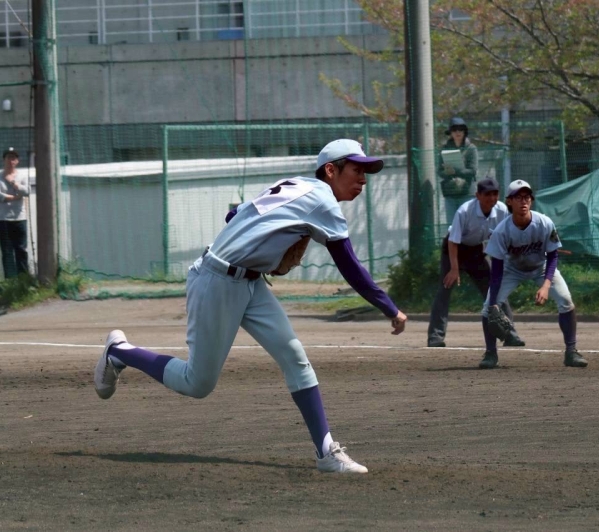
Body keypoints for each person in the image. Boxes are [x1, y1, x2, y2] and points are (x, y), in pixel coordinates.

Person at [94, 139, 408, 474]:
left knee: (295, 358)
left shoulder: (294, 185)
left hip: (250, 283)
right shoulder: (322, 201)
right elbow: (349, 265)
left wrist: (272, 245)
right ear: (331, 170)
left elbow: (234, 215)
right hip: (216, 281)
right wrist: (389, 307)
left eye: (366, 172)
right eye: (357, 169)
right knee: (196, 383)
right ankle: (120, 351)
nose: (363, 179)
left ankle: (326, 452)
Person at [480, 180, 587, 369]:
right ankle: (490, 353)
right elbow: (496, 269)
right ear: (509, 202)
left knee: (566, 301)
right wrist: (495, 302)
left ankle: (571, 352)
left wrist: (546, 285)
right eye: (518, 197)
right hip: (511, 270)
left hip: (541, 267)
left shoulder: (544, 223)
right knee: (488, 307)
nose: (523, 201)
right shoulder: (501, 231)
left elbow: (553, 256)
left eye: (527, 197)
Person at [427, 178, 525, 349]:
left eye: (495, 194)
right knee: (444, 291)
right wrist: (454, 269)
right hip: (453, 250)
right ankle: (435, 336)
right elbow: (453, 241)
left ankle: (510, 334)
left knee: (496, 290)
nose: (491, 198)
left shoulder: (501, 210)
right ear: (477, 195)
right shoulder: (464, 211)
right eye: (487, 194)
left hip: (476, 251)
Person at [0, 147, 30, 278]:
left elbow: (27, 191)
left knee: (21, 249)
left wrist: (14, 183)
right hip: (3, 219)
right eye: (8, 158)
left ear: (17, 161)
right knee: (7, 251)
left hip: (19, 218)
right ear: (3, 160)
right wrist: (15, 197)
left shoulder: (22, 176)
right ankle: (10, 280)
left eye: (13, 158)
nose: (11, 161)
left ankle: (23, 278)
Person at [439, 117, 479, 223]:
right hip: (450, 193)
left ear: (464, 131)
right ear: (450, 132)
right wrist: (447, 172)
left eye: (460, 129)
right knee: (452, 228)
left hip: (467, 193)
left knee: (468, 225)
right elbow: (439, 171)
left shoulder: (471, 148)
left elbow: (473, 171)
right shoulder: (444, 148)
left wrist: (456, 171)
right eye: (454, 129)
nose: (458, 132)